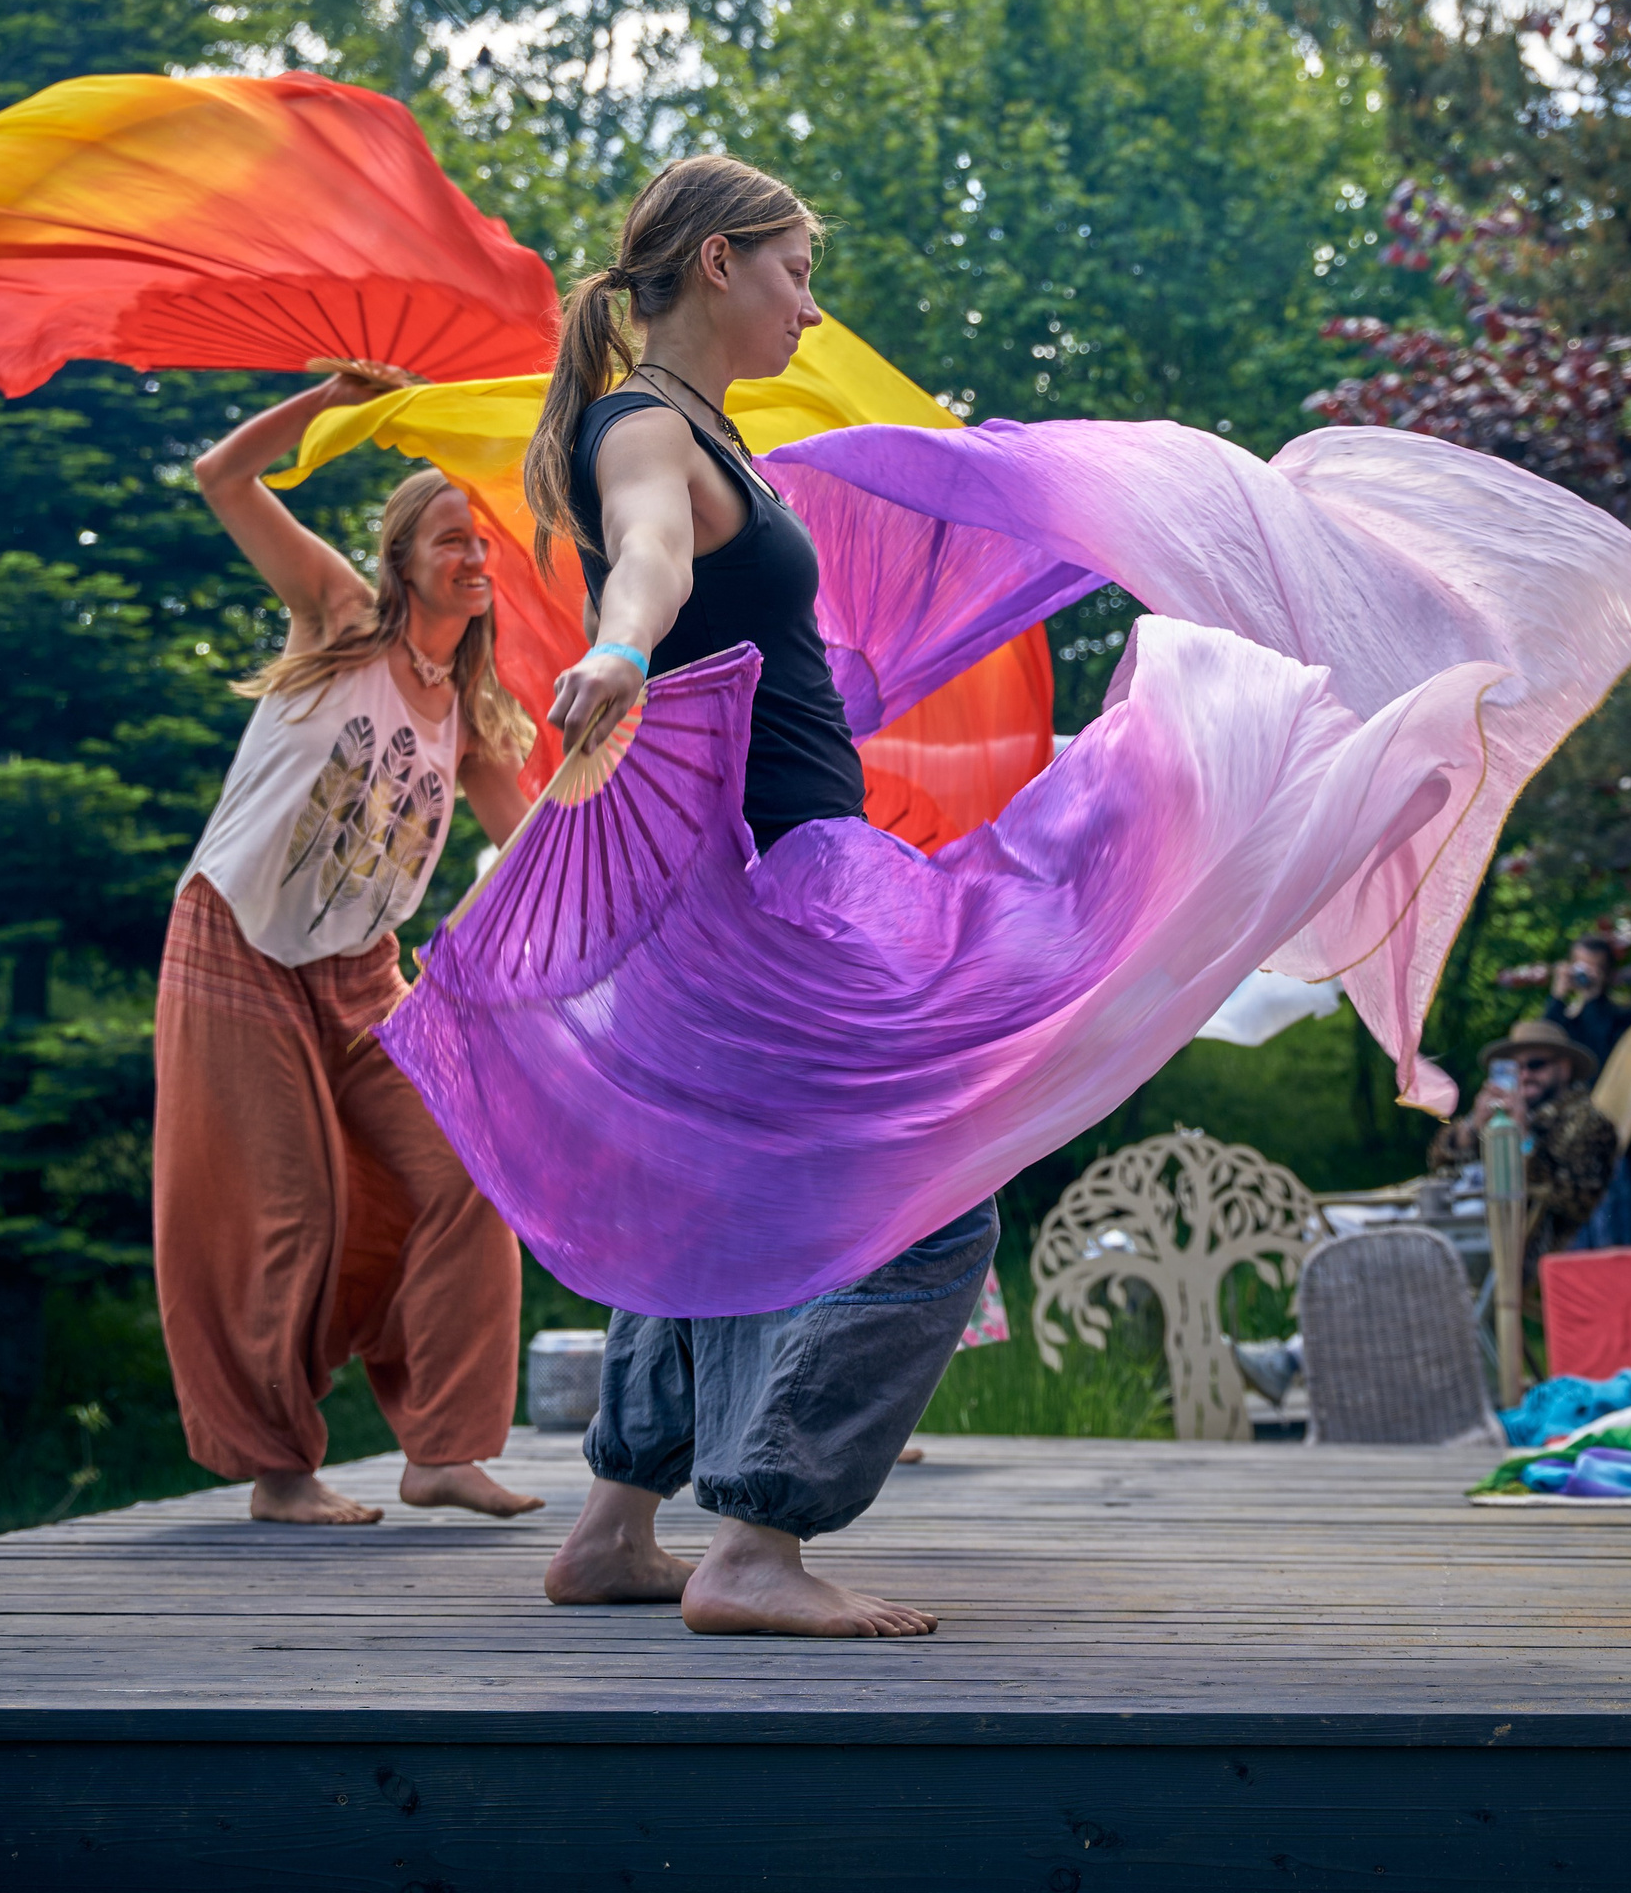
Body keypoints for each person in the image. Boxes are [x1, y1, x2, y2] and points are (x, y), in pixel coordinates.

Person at [522, 157, 998, 1640]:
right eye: (798, 268)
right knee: (937, 1178)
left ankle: (617, 1525)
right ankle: (756, 1544)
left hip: (747, 868)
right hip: (776, 881)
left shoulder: (712, 431)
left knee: (712, 1190)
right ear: (720, 263)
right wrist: (617, 648)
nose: (811, 299)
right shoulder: (649, 427)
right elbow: (651, 556)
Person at [153, 380, 543, 1527]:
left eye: (485, 542)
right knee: (287, 1208)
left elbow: (532, 850)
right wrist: (336, 397)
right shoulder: (335, 621)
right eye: (451, 539)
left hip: (367, 969)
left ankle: (445, 1451)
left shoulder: (473, 712)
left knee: (471, 1168)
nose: (476, 557)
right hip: (239, 942)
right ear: (402, 560)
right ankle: (281, 1470)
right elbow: (222, 476)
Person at [1430, 1018, 1620, 1263]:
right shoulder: (1502, 1114)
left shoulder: (1589, 1122)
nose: (1524, 1075)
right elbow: (1442, 1167)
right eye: (1514, 1068)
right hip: (1471, 1233)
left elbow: (1575, 1199)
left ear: (1564, 1069)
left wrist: (1523, 1137)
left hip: (1531, 1250)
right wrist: (1472, 1126)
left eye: (1536, 1065)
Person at [1551, 935, 1631, 1247]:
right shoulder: (1564, 1019)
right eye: (1579, 966)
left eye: (1594, 968)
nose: (1584, 974)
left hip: (1608, 1144)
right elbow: (1542, 1053)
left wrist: (1592, 998)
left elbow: (1601, 1061)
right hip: (1563, 1144)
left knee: (1610, 1240)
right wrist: (1558, 997)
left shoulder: (1622, 1020)